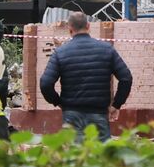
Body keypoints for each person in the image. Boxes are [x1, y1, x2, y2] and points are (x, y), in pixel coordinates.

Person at [38, 11, 133, 141]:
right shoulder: (107, 50)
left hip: (71, 114)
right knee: (100, 156)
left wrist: (58, 102)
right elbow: (126, 78)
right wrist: (116, 105)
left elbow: (45, 83)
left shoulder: (60, 53)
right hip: (98, 113)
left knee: (75, 157)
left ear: (70, 30)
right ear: (88, 26)